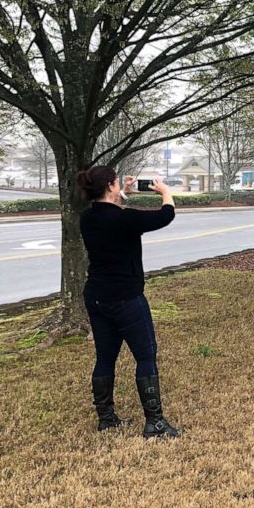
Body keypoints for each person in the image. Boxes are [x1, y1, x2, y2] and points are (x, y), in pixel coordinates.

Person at [77, 167, 181, 438]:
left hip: (96, 296)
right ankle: (155, 423)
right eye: (115, 184)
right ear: (110, 185)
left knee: (105, 356)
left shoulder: (87, 218)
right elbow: (165, 216)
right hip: (126, 297)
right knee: (145, 356)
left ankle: (106, 418)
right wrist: (166, 193)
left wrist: (123, 192)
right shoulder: (125, 218)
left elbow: (107, 211)